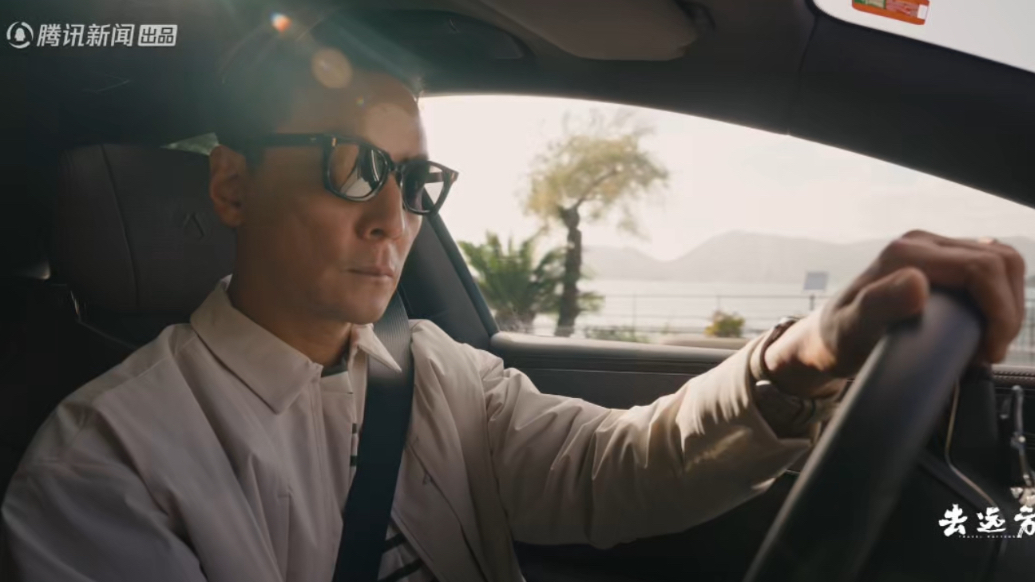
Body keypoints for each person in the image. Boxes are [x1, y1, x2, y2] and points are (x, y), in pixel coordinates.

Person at [1, 15, 1026, 582]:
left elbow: (619, 468)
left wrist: (804, 357)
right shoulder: (105, 468)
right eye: (353, 167)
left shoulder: (435, 375)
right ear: (232, 186)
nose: (393, 216)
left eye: (416, 181)